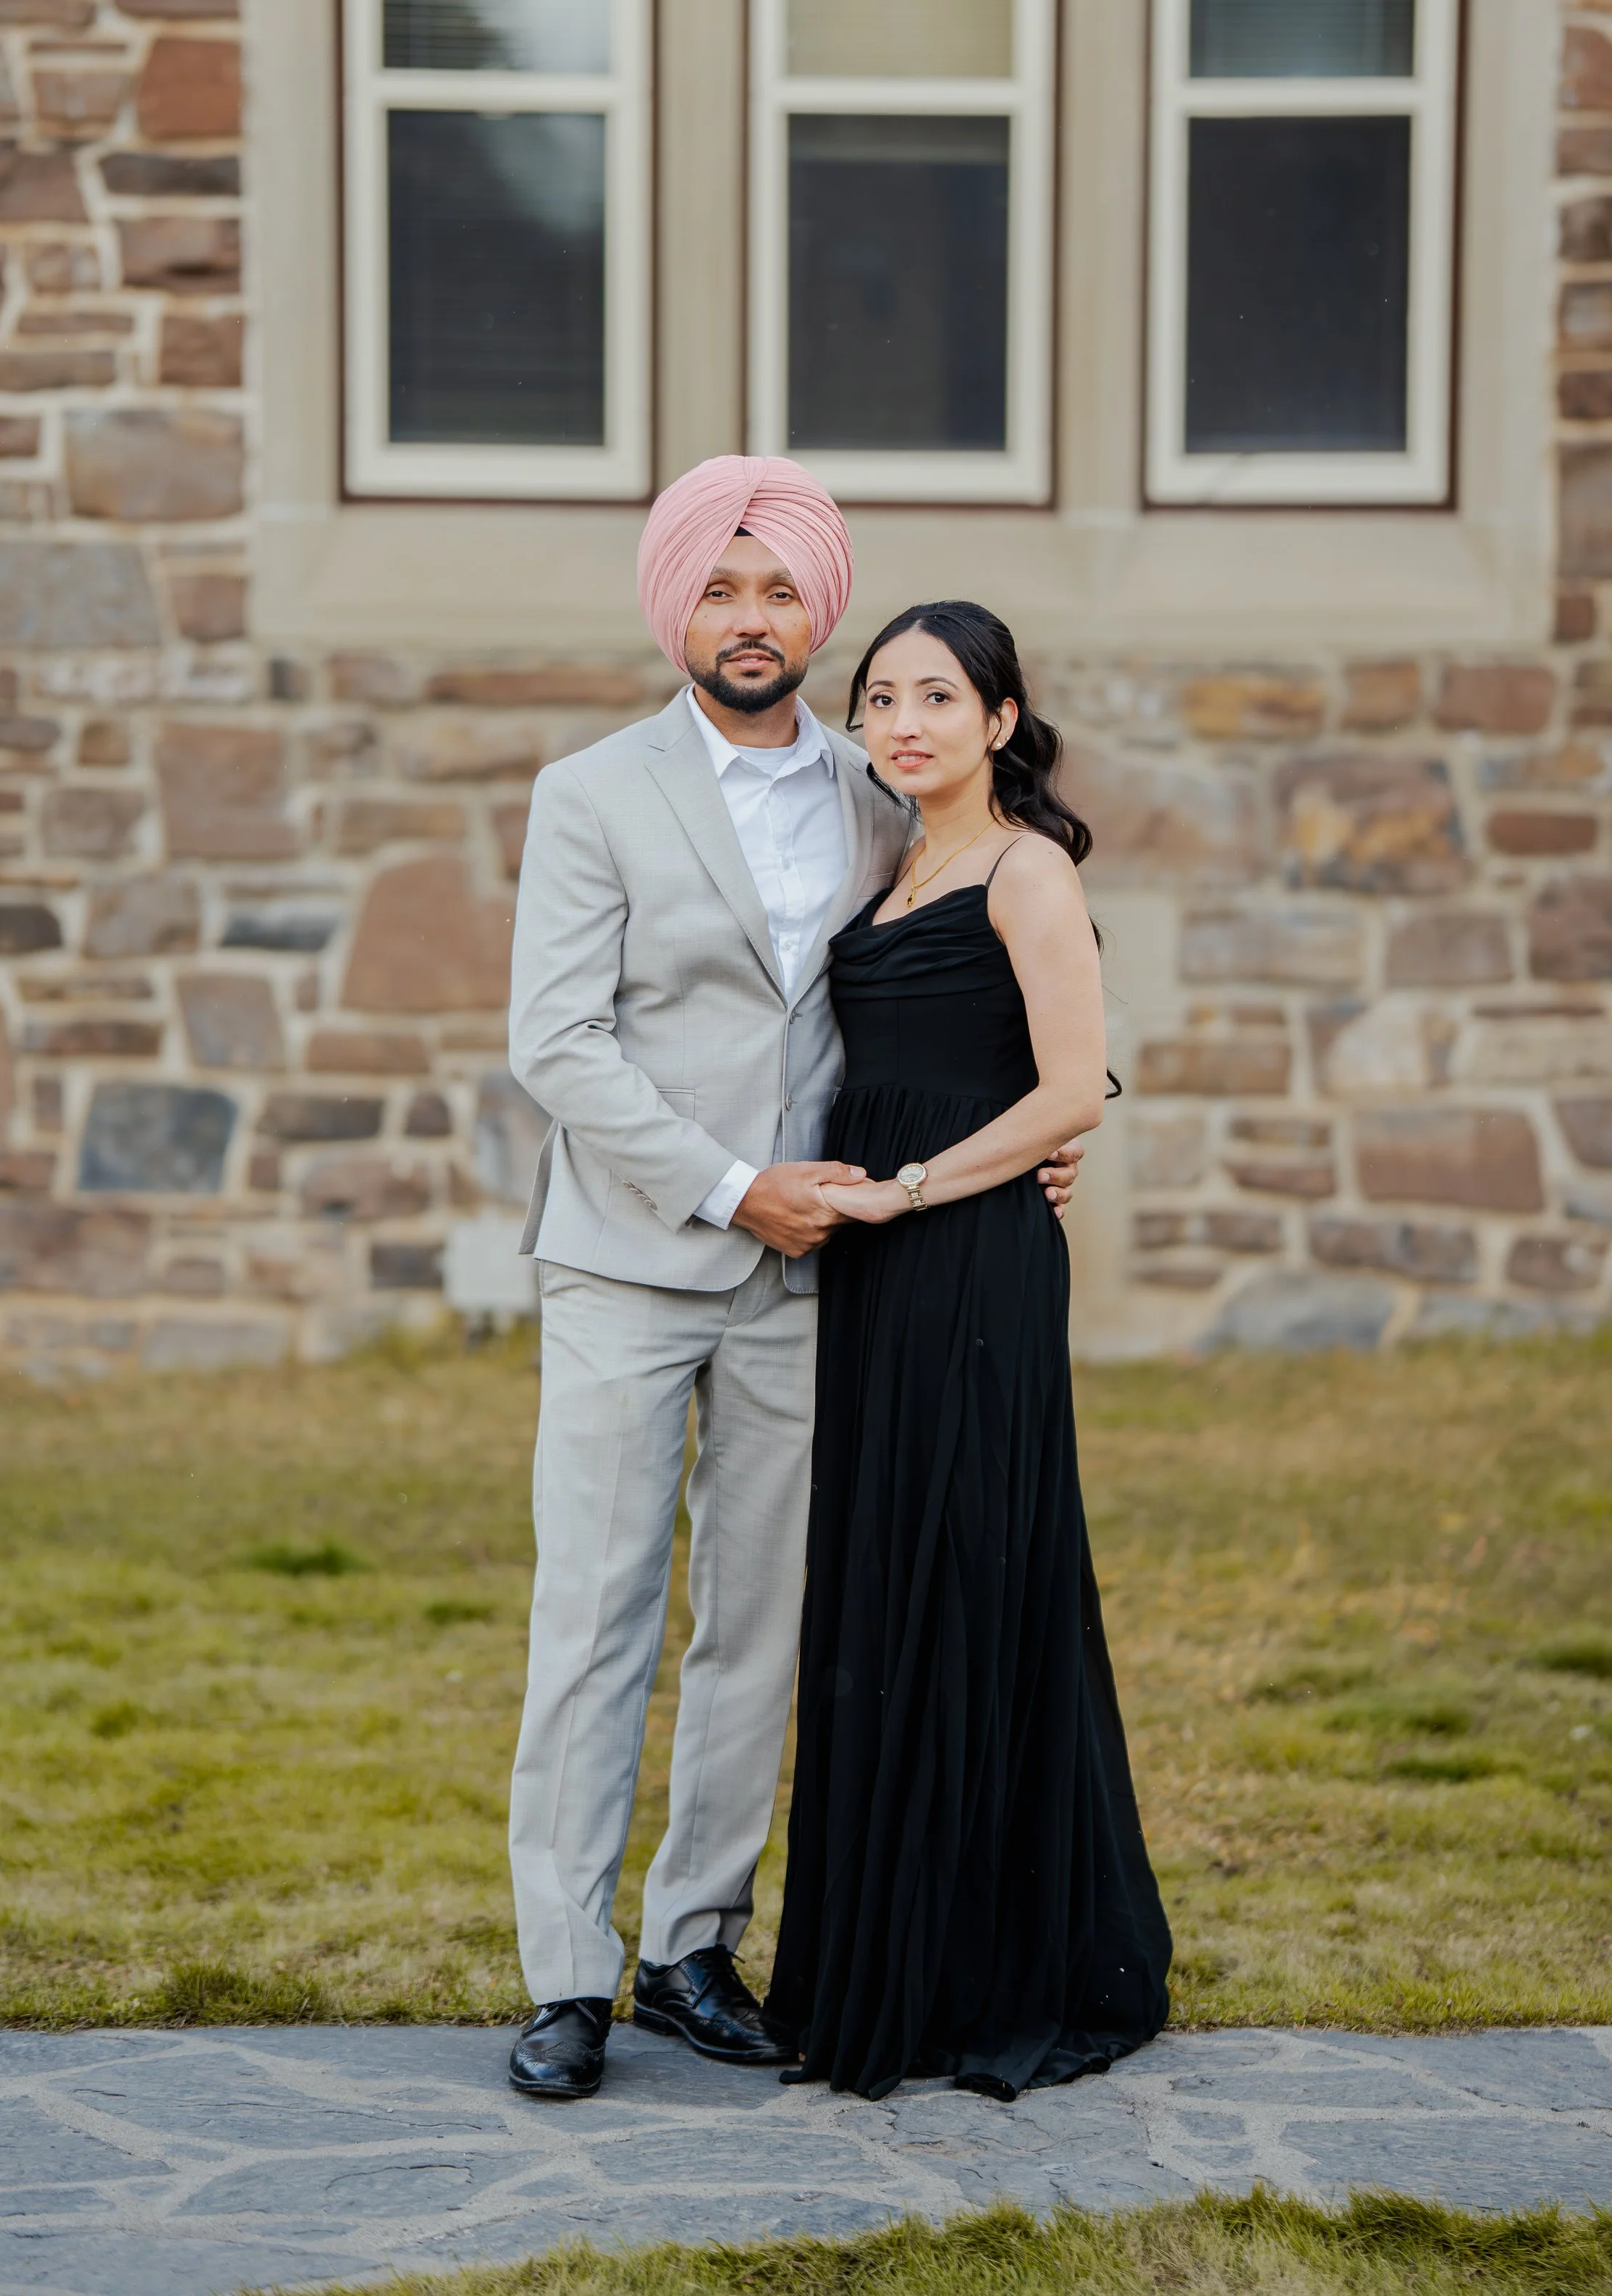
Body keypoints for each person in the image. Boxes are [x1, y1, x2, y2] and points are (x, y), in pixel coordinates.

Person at [502, 460, 1082, 2102]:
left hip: (814, 1281)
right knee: (596, 1614)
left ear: (813, 611)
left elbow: (964, 982)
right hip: (628, 1263)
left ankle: (691, 1942)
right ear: (671, 604)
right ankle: (565, 1977)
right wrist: (724, 1186)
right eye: (716, 589)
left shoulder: (874, 782)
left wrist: (1058, 1122)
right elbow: (555, 1040)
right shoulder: (590, 790)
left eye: (776, 593)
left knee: (755, 1629)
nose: (746, 620)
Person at [766, 599, 1173, 2101]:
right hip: (881, 1265)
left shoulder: (1022, 867)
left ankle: (988, 1963)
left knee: (965, 1569)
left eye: (939, 696)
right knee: (885, 1576)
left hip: (969, 1258)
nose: (904, 722)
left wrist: (917, 1186)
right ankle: (889, 1953)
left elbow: (1070, 1089)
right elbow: (1020, 1065)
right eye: (878, 699)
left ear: (1001, 721)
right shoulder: (890, 868)